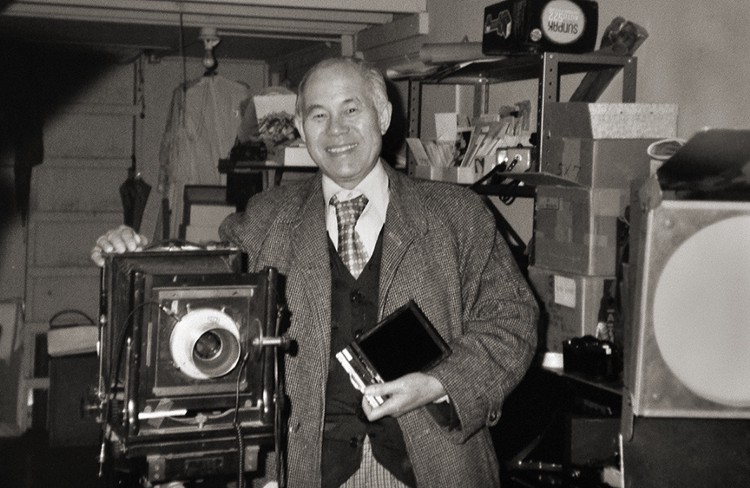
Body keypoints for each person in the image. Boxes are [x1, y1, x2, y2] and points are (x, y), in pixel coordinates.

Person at [91, 57, 538, 488]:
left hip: (436, 463)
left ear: (382, 115)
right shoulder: (263, 220)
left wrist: (438, 384)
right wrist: (138, 258)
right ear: (302, 131)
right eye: (318, 115)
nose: (337, 130)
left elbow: (512, 321)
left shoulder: (458, 216)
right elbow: (204, 293)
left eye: (351, 109)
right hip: (302, 466)